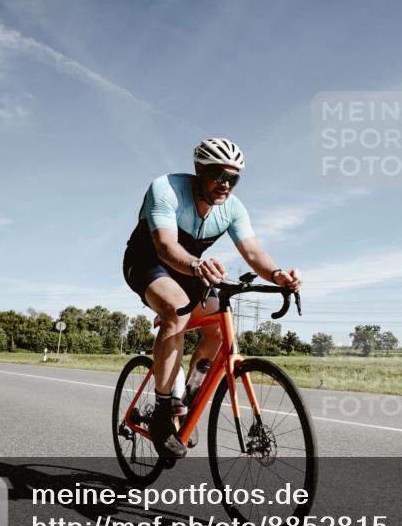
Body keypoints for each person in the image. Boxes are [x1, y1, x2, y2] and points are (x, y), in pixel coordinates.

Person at [122, 138, 301, 460]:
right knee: (176, 309)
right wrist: (195, 265)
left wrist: (277, 275)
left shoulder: (233, 208)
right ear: (199, 170)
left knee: (219, 326)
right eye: (218, 175)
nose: (225, 184)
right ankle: (162, 412)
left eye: (233, 178)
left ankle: (188, 395)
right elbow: (165, 246)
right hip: (148, 261)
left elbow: (252, 251)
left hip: (192, 270)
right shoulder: (166, 189)